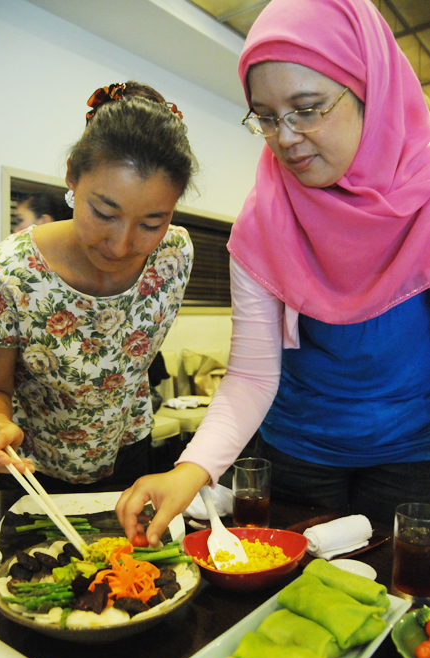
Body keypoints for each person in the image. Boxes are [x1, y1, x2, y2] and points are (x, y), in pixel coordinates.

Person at [117, 0, 430, 544]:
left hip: (412, 455)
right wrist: (188, 473)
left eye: (307, 108)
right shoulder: (264, 220)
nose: (284, 137)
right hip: (298, 453)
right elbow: (252, 375)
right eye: (264, 116)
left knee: (395, 601)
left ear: (371, 95)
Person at [0, 81, 196, 491]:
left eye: (150, 224)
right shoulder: (11, 270)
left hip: (133, 453)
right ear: (72, 176)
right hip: (33, 467)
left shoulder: (174, 255)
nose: (123, 245)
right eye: (105, 213)